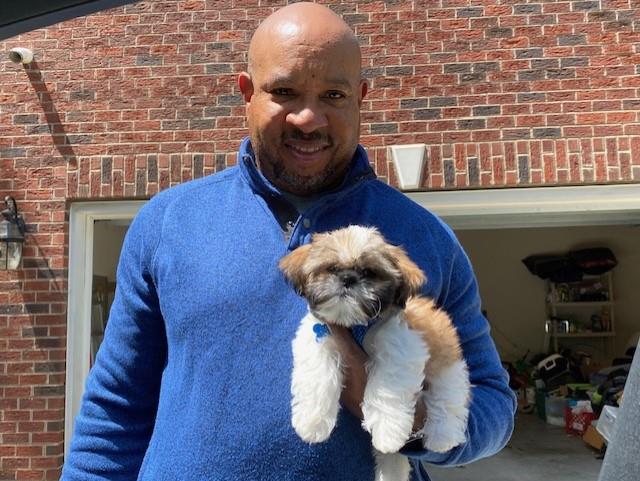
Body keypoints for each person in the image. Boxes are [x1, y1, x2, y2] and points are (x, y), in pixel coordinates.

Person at [61, 3, 516, 480]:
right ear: (246, 92)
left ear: (360, 97)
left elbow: (492, 404)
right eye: (284, 91)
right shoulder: (168, 222)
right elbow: (116, 407)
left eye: (333, 94)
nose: (307, 117)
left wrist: (416, 422)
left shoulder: (425, 238)